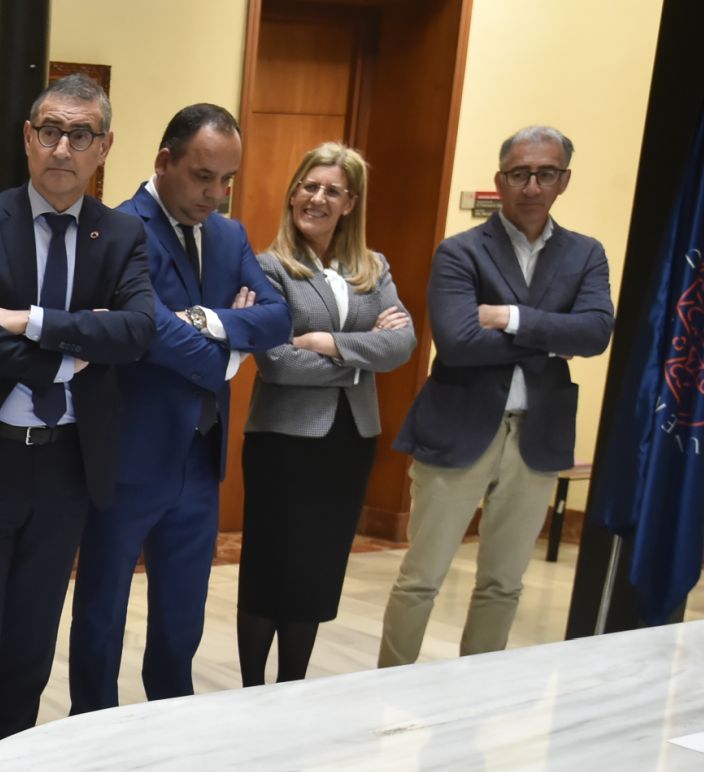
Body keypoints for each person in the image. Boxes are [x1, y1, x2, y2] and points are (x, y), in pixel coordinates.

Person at [0, 73, 154, 772]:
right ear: (27, 138)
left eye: (80, 135)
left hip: (67, 464)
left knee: (29, 650)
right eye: (49, 130)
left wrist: (30, 321)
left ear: (103, 147)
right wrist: (68, 358)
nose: (62, 148)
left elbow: (137, 331)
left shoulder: (123, 235)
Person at [68, 104, 290, 713]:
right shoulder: (116, 229)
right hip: (127, 456)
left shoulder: (229, 235)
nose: (215, 194)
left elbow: (276, 318)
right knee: (103, 611)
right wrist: (228, 353)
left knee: (182, 615)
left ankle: (172, 723)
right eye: (202, 176)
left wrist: (215, 319)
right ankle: (92, 729)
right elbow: (145, 332)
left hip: (199, 457)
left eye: (227, 180)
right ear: (164, 161)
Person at [379, 125, 614, 665]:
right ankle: (386, 688)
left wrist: (507, 317)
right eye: (519, 173)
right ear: (500, 179)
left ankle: (477, 695)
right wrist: (553, 335)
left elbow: (596, 332)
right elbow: (458, 343)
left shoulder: (585, 255)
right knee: (421, 578)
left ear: (564, 181)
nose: (531, 185)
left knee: (504, 584)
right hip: (457, 430)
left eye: (545, 173)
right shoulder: (461, 252)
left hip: (537, 434)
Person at [239, 143, 417, 684]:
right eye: (309, 186)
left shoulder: (373, 267)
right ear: (294, 190)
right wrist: (363, 352)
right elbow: (276, 361)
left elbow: (404, 343)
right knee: (273, 567)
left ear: (350, 203)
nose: (316, 198)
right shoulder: (268, 268)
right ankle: (250, 690)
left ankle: (294, 686)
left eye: (331, 191)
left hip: (350, 439)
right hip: (284, 441)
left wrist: (326, 343)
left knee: (317, 569)